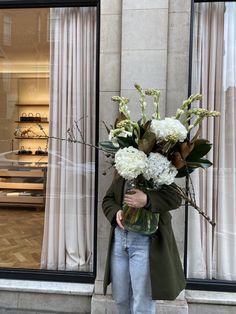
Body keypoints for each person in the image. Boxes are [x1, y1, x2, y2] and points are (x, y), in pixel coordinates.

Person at [102, 173, 186, 314]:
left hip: (144, 243)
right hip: (119, 241)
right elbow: (108, 199)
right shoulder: (123, 169)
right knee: (120, 298)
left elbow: (176, 198)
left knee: (142, 304)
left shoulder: (156, 169)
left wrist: (147, 200)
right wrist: (116, 212)